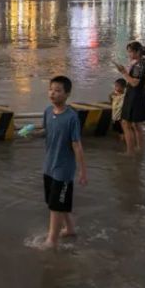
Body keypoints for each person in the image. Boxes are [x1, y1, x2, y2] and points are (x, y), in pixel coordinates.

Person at [41, 75, 87, 249]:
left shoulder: (72, 118)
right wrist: (31, 133)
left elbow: (77, 146)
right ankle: (70, 228)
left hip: (64, 169)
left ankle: (52, 240)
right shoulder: (47, 112)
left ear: (67, 94)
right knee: (57, 202)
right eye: (51, 89)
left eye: (58, 90)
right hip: (49, 166)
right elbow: (47, 132)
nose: (53, 93)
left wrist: (82, 172)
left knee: (55, 204)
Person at [114, 41, 145, 155]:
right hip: (139, 95)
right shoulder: (144, 62)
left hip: (133, 96)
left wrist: (124, 72)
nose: (129, 54)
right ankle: (140, 149)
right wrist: (143, 89)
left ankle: (130, 151)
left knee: (125, 123)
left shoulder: (139, 65)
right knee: (136, 124)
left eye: (130, 52)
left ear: (137, 52)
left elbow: (134, 82)